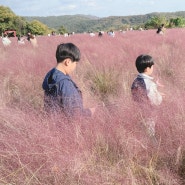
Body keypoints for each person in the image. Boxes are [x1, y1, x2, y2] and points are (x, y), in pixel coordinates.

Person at [42, 43, 95, 118]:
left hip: (53, 123)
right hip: (64, 126)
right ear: (68, 62)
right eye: (75, 63)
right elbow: (75, 115)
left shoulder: (51, 75)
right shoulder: (65, 84)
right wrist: (90, 112)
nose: (75, 66)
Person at [131, 54, 164, 137]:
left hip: (139, 112)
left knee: (142, 132)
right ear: (147, 68)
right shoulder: (149, 84)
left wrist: (155, 86)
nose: (153, 68)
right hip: (149, 113)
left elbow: (138, 94)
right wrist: (160, 96)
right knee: (150, 134)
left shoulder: (135, 80)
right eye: (152, 66)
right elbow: (155, 101)